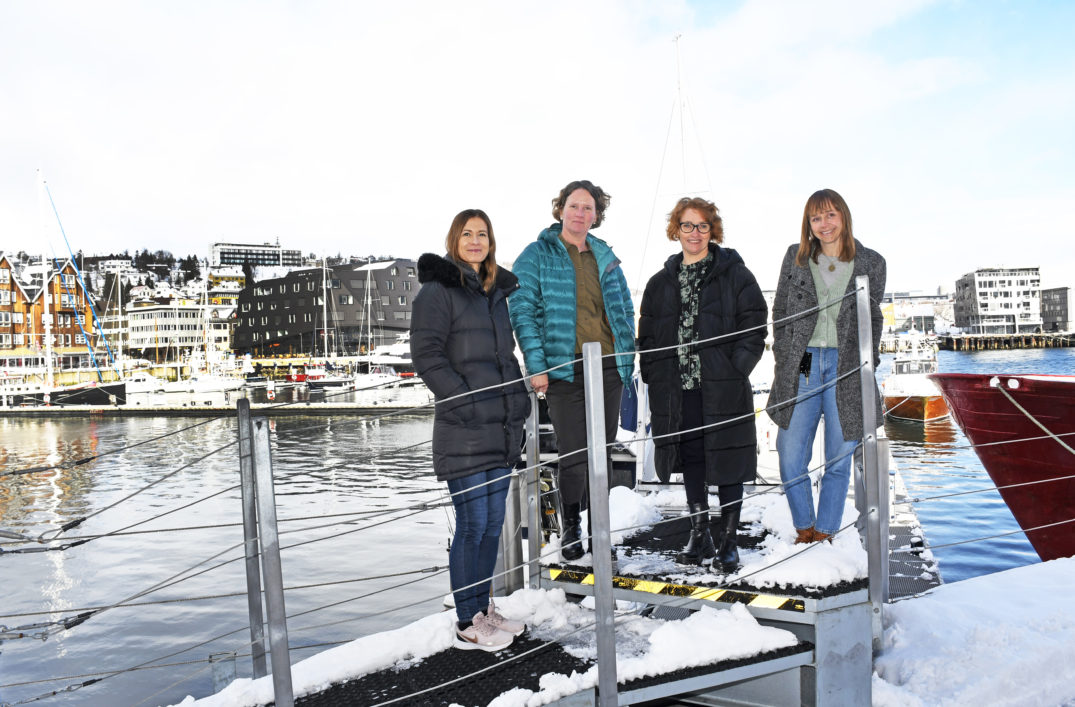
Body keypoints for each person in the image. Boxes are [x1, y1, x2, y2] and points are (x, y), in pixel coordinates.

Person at [410, 209, 531, 651]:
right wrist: (465, 399)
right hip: (464, 427)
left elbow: (506, 357)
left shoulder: (494, 291)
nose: (476, 241)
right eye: (468, 234)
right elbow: (426, 355)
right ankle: (466, 620)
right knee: (473, 523)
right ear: (454, 240)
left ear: (491, 241)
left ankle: (483, 608)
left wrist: (517, 402)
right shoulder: (438, 291)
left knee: (493, 524)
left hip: (499, 427)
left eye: (483, 234)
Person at [638, 197, 767, 572]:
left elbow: (755, 323)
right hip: (678, 387)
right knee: (691, 458)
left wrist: (736, 367)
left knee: (728, 459)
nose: (694, 233)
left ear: (713, 230)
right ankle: (700, 532)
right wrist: (654, 375)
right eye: (687, 225)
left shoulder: (735, 274)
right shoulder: (660, 282)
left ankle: (729, 540)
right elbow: (646, 336)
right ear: (675, 229)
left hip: (722, 383)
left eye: (702, 226)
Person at [509, 180, 636, 562]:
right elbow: (522, 312)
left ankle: (600, 532)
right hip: (565, 369)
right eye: (574, 205)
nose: (581, 213)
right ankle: (571, 525)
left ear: (597, 215)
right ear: (560, 208)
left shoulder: (605, 255)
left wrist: (628, 353)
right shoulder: (536, 255)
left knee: (604, 451)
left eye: (588, 207)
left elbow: (625, 309)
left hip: (609, 366)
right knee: (575, 454)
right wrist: (536, 365)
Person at [767, 189, 886, 544]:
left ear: (844, 217)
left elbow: (874, 319)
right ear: (809, 223)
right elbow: (780, 314)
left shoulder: (872, 262)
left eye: (831, 215)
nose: (824, 224)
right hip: (804, 361)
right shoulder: (796, 257)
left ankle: (825, 534)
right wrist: (785, 358)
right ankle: (804, 527)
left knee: (838, 457)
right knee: (790, 454)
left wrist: (870, 362)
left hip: (845, 365)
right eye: (816, 218)